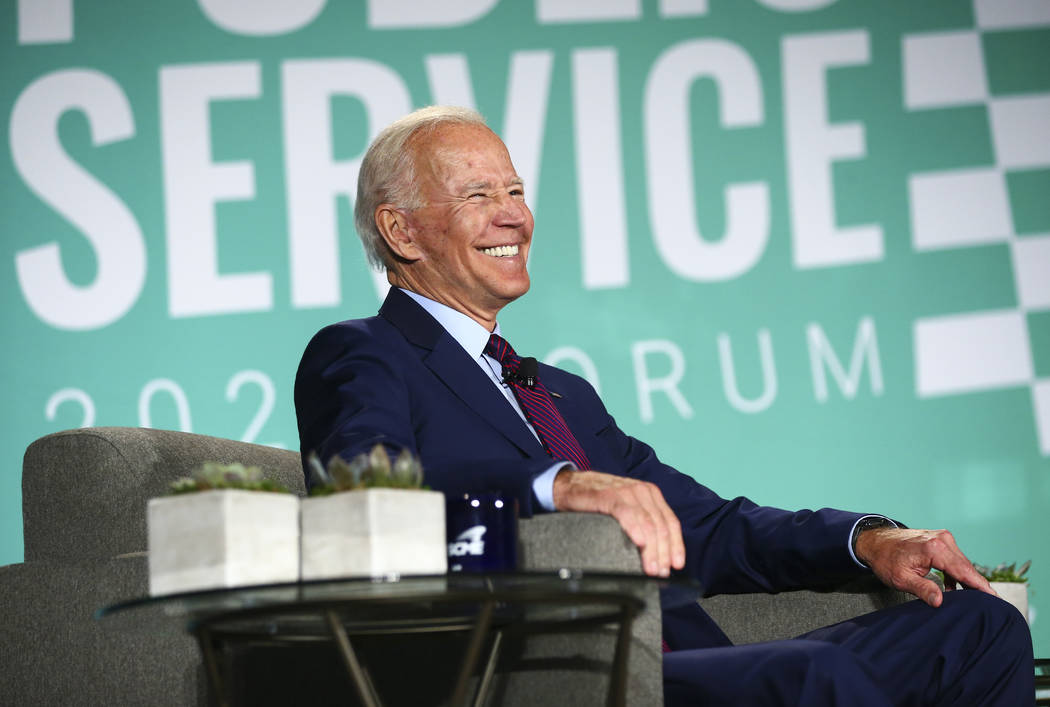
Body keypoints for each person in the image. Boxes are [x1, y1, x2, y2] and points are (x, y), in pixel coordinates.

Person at [294, 106, 1033, 705]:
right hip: (556, 671)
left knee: (981, 626)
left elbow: (705, 525)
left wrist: (867, 539)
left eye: (515, 191)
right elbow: (368, 493)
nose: (512, 216)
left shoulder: (557, 390)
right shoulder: (362, 353)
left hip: (685, 657)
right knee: (817, 678)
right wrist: (556, 486)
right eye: (477, 195)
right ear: (400, 230)